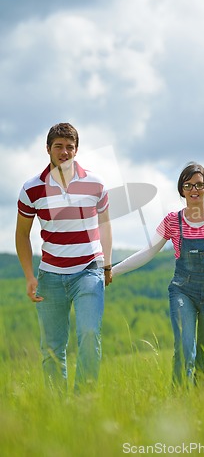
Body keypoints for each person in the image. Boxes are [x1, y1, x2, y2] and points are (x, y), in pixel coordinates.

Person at [112, 162, 204, 388]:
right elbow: (148, 252)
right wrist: (113, 271)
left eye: (199, 185)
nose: (194, 190)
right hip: (184, 291)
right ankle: (179, 406)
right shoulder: (173, 221)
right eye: (188, 185)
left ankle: (201, 411)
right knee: (185, 350)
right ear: (181, 190)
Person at [15, 123, 112, 394]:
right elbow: (22, 235)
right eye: (58, 146)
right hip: (50, 275)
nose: (64, 152)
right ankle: (57, 409)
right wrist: (29, 276)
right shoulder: (32, 189)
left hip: (88, 271)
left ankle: (84, 402)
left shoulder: (96, 184)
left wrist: (106, 264)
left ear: (76, 150)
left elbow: (105, 224)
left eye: (70, 147)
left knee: (90, 334)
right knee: (52, 348)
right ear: (48, 149)